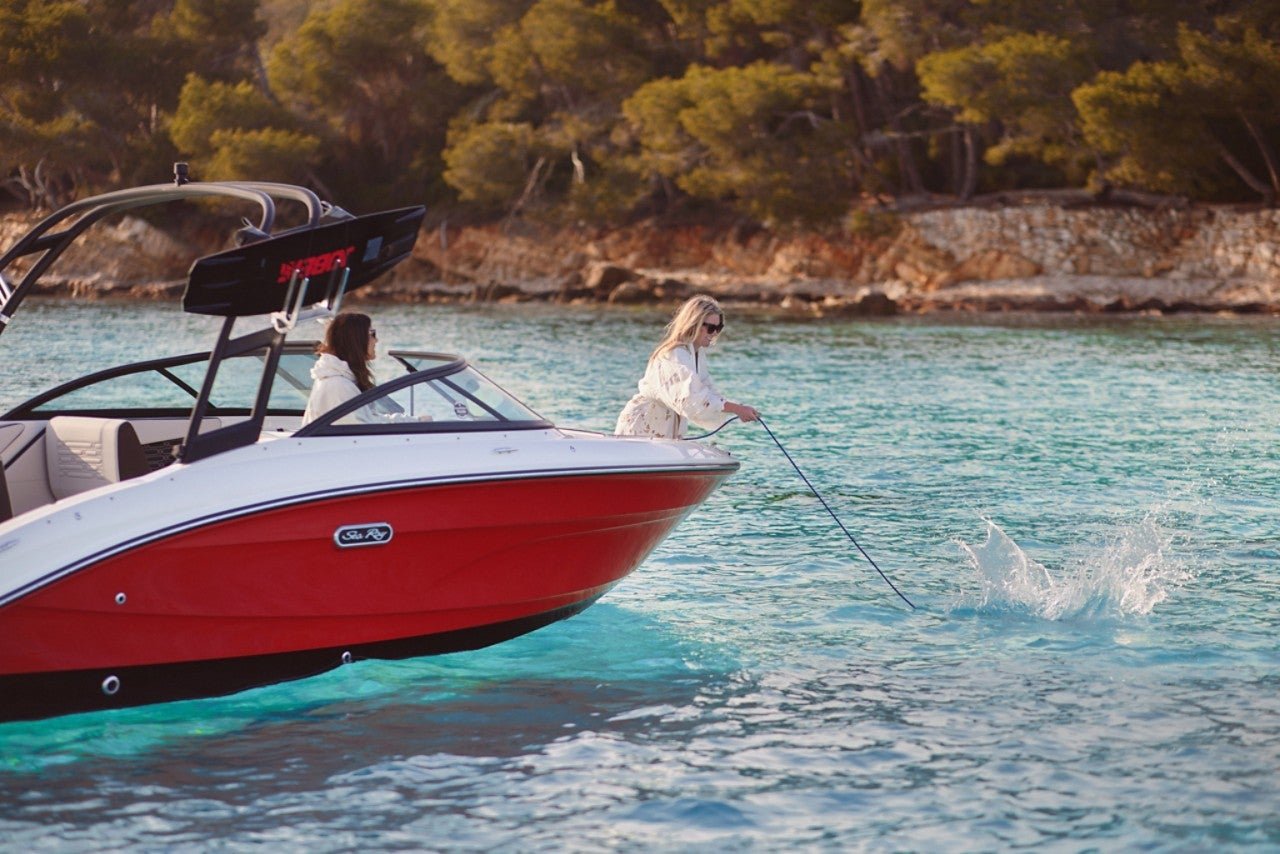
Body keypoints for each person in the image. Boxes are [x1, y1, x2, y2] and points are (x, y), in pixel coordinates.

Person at [615, 294, 759, 439]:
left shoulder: (696, 353)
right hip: (642, 426)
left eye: (719, 328)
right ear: (694, 323)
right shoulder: (674, 354)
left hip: (664, 428)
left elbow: (708, 390)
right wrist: (737, 409)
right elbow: (692, 398)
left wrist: (739, 408)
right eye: (711, 327)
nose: (715, 333)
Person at [301, 312, 421, 426]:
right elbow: (362, 430)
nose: (376, 340)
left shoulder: (341, 379)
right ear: (356, 339)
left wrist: (413, 421)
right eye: (372, 334)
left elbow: (368, 420)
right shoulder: (339, 386)